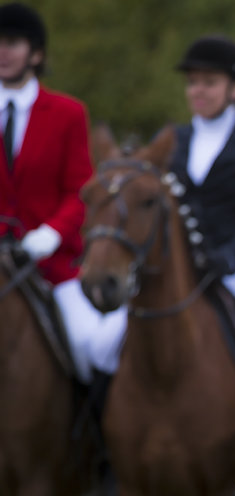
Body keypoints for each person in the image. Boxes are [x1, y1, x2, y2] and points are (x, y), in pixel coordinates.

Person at [86, 35, 235, 496]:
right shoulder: (171, 143)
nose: (198, 91)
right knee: (99, 345)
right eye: (193, 83)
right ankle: (107, 463)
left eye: (210, 82)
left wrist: (231, 257)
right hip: (173, 275)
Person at [0, 2, 98, 381]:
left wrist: (51, 234)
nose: (3, 52)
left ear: (36, 54)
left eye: (12, 42)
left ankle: (97, 436)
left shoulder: (67, 114)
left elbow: (80, 191)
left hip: (50, 268)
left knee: (91, 347)